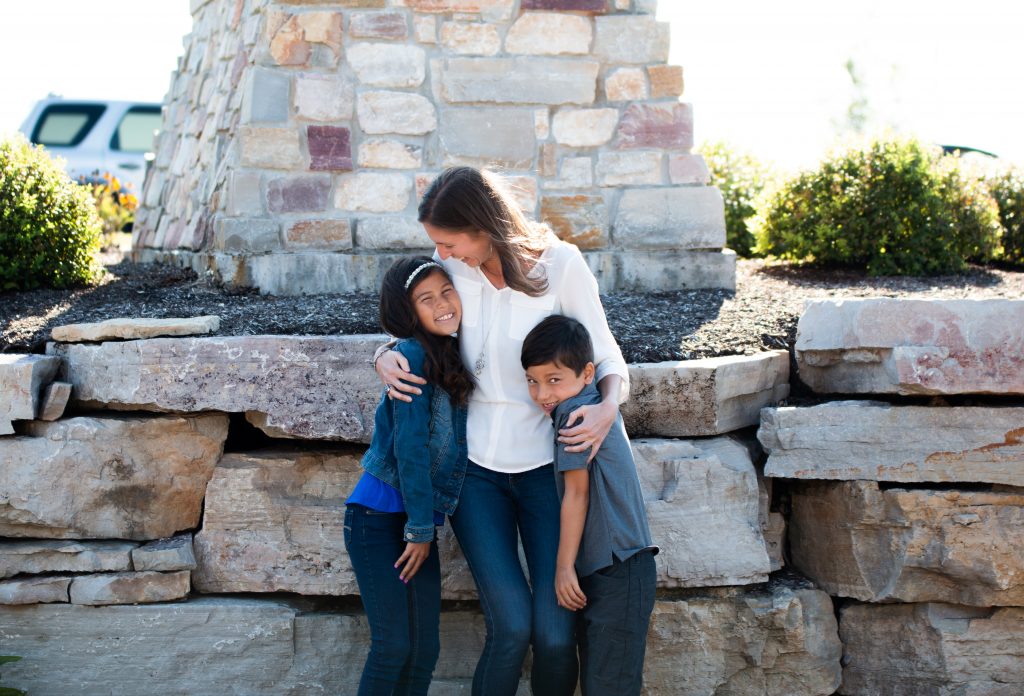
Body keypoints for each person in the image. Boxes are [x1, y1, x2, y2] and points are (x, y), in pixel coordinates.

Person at [374, 166, 630, 696]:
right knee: (511, 626)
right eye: (435, 245)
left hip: (546, 471)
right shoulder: (456, 275)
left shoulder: (560, 266)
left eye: (448, 241)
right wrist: (382, 356)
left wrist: (608, 406)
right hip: (474, 477)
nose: (441, 254)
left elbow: (605, 354)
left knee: (557, 635)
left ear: (481, 225)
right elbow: (414, 320)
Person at [345, 255, 473, 696]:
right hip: (381, 520)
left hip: (412, 522)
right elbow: (411, 449)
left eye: (446, 291)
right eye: (426, 299)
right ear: (407, 311)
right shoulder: (412, 357)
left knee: (424, 651)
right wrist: (419, 530)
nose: (442, 304)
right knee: (394, 647)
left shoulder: (449, 350)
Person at [521, 315, 657, 696]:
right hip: (616, 567)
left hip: (619, 567)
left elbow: (577, 494)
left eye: (553, 380)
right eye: (532, 380)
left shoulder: (575, 415)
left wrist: (563, 568)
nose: (542, 393)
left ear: (586, 374)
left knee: (608, 687)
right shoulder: (593, 405)